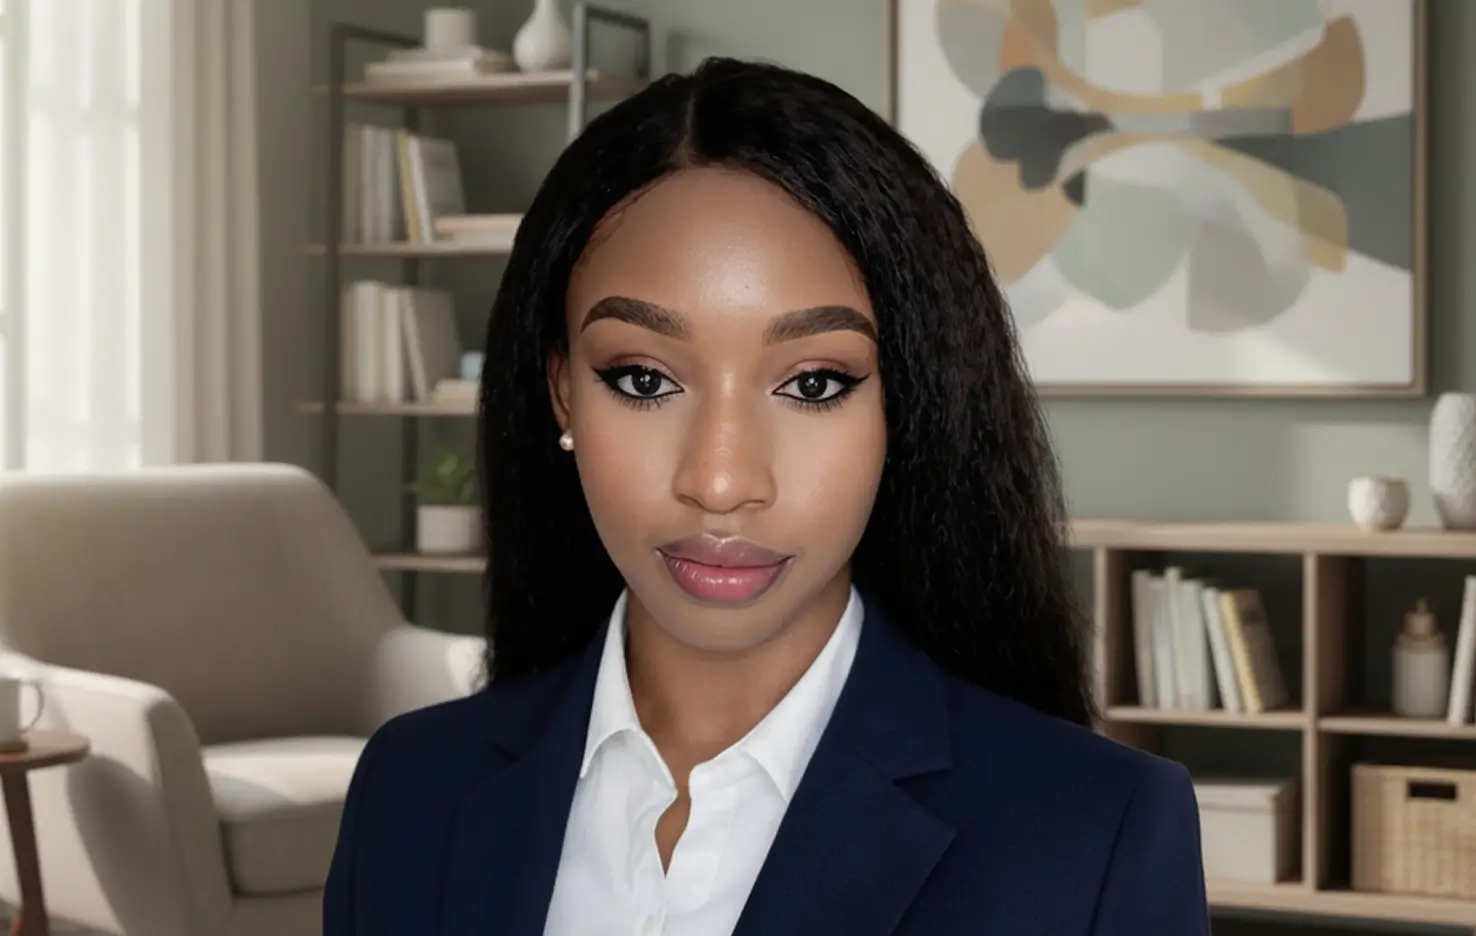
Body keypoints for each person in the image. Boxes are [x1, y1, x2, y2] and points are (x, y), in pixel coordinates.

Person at [323, 57, 1209, 936]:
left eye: (815, 385)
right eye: (641, 378)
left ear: (908, 405)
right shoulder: (410, 794)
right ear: (562, 393)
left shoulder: (1098, 834)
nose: (719, 480)